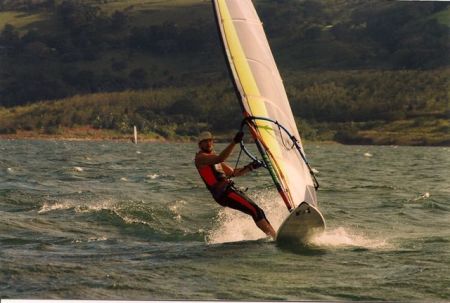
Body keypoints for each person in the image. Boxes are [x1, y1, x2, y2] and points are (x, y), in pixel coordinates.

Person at [194, 131, 276, 239]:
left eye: (210, 141)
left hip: (228, 191)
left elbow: (233, 173)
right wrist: (234, 142)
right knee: (255, 210)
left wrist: (251, 167)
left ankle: (274, 235)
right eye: (204, 142)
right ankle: (275, 238)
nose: (208, 144)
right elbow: (220, 158)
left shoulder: (213, 159)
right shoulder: (201, 158)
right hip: (223, 193)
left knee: (257, 210)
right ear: (200, 145)